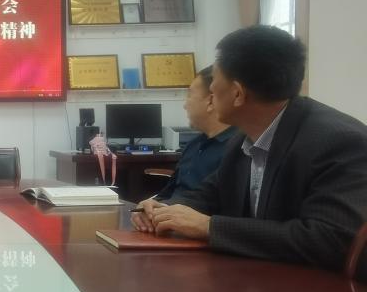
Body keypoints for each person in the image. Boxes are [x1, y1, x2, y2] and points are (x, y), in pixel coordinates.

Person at [131, 25, 367, 273]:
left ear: (238, 94)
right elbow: (209, 195)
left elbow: (331, 239)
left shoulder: (339, 142)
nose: (211, 92)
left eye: (215, 82)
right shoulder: (244, 139)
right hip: (257, 279)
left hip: (319, 290)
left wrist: (209, 227)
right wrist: (163, 210)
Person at [135, 66, 236, 206]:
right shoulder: (193, 145)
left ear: (210, 101)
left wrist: (166, 209)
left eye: (189, 95)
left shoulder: (237, 150)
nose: (185, 105)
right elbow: (169, 192)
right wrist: (149, 205)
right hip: (169, 213)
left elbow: (215, 205)